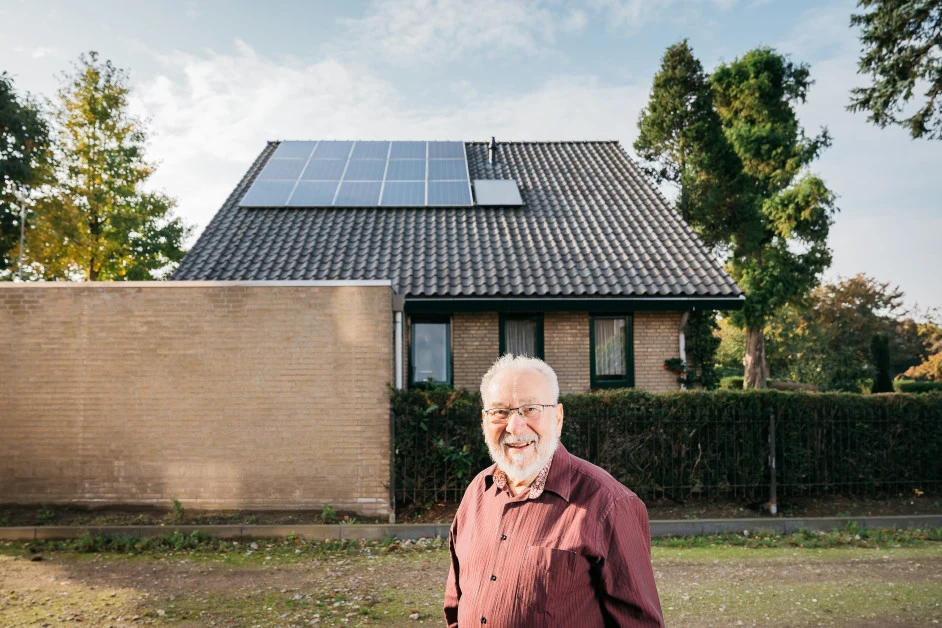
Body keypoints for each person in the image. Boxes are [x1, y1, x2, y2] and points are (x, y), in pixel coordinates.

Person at [444, 354, 664, 627]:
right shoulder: (477, 493)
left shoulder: (609, 504)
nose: (514, 426)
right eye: (500, 412)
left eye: (530, 409)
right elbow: (456, 603)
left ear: (557, 417)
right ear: (484, 420)